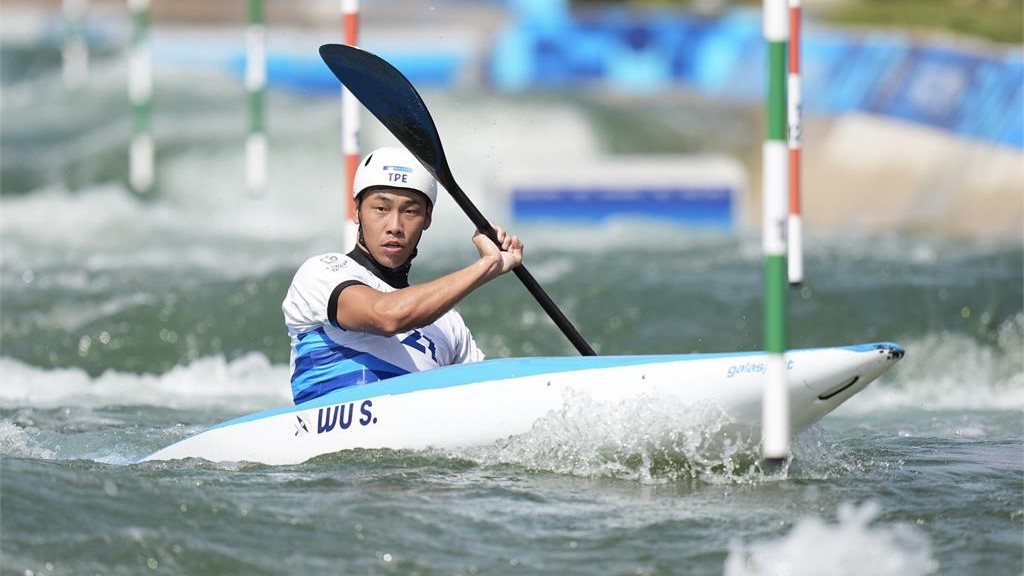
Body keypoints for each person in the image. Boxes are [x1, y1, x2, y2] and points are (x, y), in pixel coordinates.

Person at [281, 146, 523, 404]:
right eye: (381, 209)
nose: (395, 226)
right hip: (324, 439)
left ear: (427, 218)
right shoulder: (321, 273)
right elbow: (386, 316)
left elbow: (489, 401)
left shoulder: (447, 323)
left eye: (410, 211)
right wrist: (488, 265)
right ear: (356, 211)